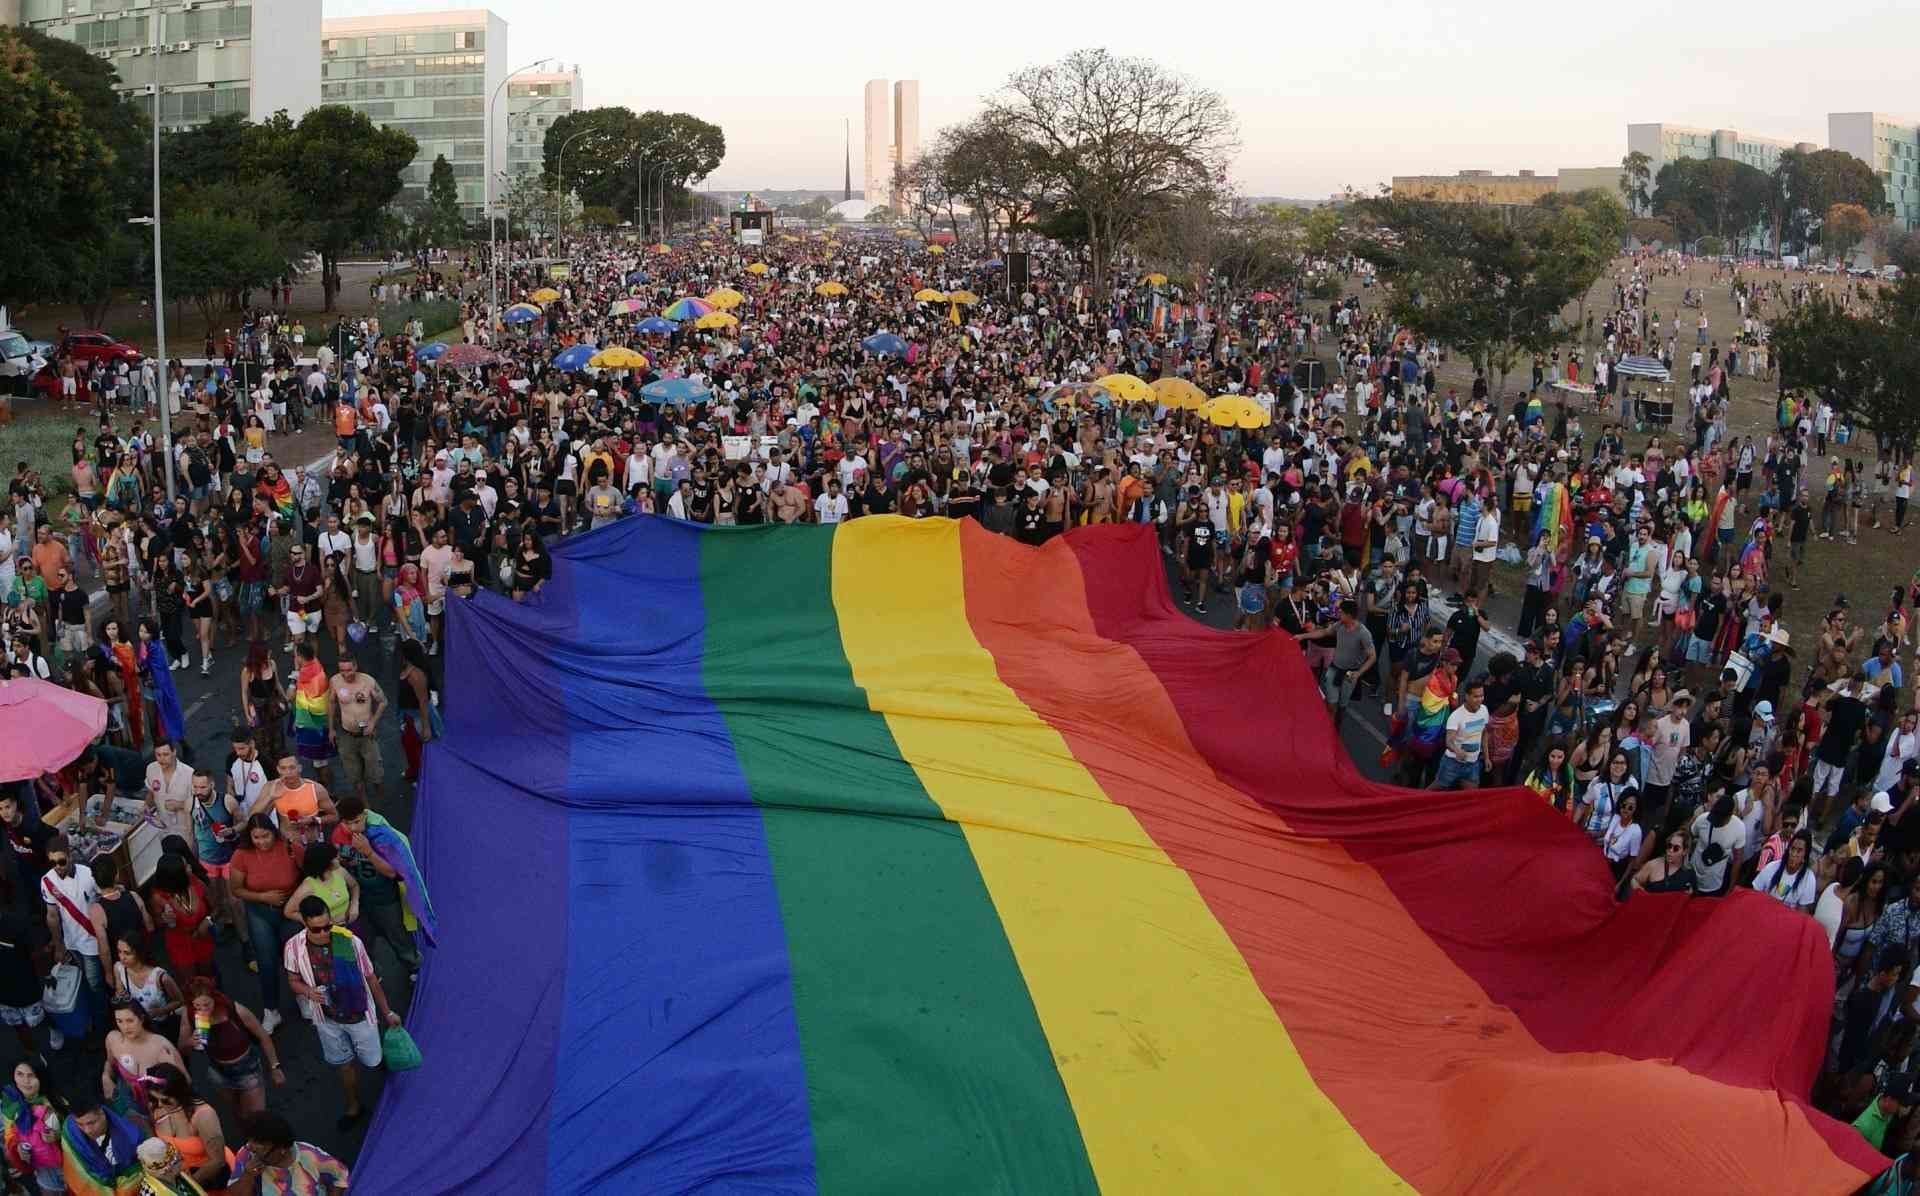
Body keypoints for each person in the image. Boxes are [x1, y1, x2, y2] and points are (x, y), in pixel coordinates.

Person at [281, 897, 400, 1130]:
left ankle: (382, 1065)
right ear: (304, 924)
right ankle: (354, 1105)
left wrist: (387, 1012)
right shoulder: (293, 947)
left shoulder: (350, 941)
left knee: (372, 1060)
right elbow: (293, 979)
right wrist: (307, 992)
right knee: (343, 1065)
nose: (325, 932)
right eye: (317, 929)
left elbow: (370, 977)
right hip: (327, 1019)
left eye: (328, 925)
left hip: (358, 1015)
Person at [226, 817, 301, 1036]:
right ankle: (271, 1010)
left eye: (265, 836)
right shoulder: (241, 856)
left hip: (290, 911)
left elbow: (305, 872)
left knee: (294, 957)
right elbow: (236, 889)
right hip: (260, 913)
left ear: (273, 832)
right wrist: (262, 896)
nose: (261, 842)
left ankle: (303, 996)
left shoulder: (287, 846)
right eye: (256, 837)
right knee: (266, 962)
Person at [177, 977, 281, 1121]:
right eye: (197, 1006)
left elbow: (263, 1036)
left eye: (207, 1004)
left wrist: (275, 1067)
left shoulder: (234, 1009)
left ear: (214, 998)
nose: (203, 1009)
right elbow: (181, 1049)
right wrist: (189, 1042)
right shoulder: (189, 1015)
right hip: (218, 1071)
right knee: (237, 1112)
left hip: (247, 1068)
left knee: (256, 1117)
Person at [40, 834, 107, 1047]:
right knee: (87, 983)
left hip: (92, 941)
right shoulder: (47, 881)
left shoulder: (88, 874)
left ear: (70, 857)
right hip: (72, 942)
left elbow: (104, 898)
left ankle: (102, 1026)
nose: (57, 867)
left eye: (61, 861)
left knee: (95, 985)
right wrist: (59, 946)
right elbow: (52, 916)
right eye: (52, 863)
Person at [141, 1064, 227, 1193]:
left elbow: (218, 1161)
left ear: (179, 1093)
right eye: (154, 1098)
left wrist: (187, 1188)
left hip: (204, 1181)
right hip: (173, 1179)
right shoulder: (156, 1107)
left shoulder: (203, 1115)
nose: (159, 1105)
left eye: (166, 1100)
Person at [101, 999, 184, 1128]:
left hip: (160, 1108)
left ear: (141, 1018)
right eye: (119, 1021)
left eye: (130, 1020)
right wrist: (106, 1076)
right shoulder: (113, 1040)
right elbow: (110, 1063)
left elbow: (183, 1082)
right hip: (130, 1104)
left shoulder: (161, 1047)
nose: (125, 1027)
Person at [227, 1111, 349, 1196]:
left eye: (263, 1154)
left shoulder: (309, 1155)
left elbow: (340, 1177)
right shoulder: (247, 1154)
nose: (255, 1156)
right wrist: (248, 1175)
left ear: (282, 1149)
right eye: (251, 1147)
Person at [325, 653, 387, 806]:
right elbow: (331, 703)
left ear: (355, 667)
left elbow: (383, 702)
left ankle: (381, 796)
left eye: (349, 670)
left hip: (367, 735)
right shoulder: (335, 681)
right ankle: (365, 804)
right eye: (342, 671)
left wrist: (372, 722)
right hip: (346, 735)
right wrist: (331, 728)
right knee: (353, 774)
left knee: (375, 772)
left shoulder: (368, 681)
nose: (346, 674)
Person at [2, 1057, 68, 1196]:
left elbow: (80, 1130)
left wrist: (58, 1136)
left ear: (40, 1077)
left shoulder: (56, 1100)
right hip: (44, 1173)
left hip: (70, 1167)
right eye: (20, 1074)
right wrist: (18, 1148)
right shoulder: (10, 1108)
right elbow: (9, 1139)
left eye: (31, 1075)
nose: (25, 1081)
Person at [58, 1099, 144, 1195]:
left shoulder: (131, 1134)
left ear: (102, 1113)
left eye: (91, 1123)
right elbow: (77, 1175)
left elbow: (141, 1167)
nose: (87, 1130)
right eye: (80, 1124)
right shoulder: (71, 1133)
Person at [1431, 678, 1489, 790]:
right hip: (1452, 764)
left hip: (1473, 764)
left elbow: (1484, 733)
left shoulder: (1484, 710)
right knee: (1435, 789)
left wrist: (1486, 757)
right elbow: (1449, 741)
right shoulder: (1456, 716)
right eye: (1476, 696)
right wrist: (1457, 751)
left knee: (1471, 797)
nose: (1480, 699)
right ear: (1467, 696)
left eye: (1481, 696)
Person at [1752, 829, 1820, 912]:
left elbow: (1802, 915)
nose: (1794, 854)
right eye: (1793, 849)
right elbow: (1754, 895)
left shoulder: (1809, 879)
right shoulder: (1771, 867)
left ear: (1805, 856)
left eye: (1799, 851)